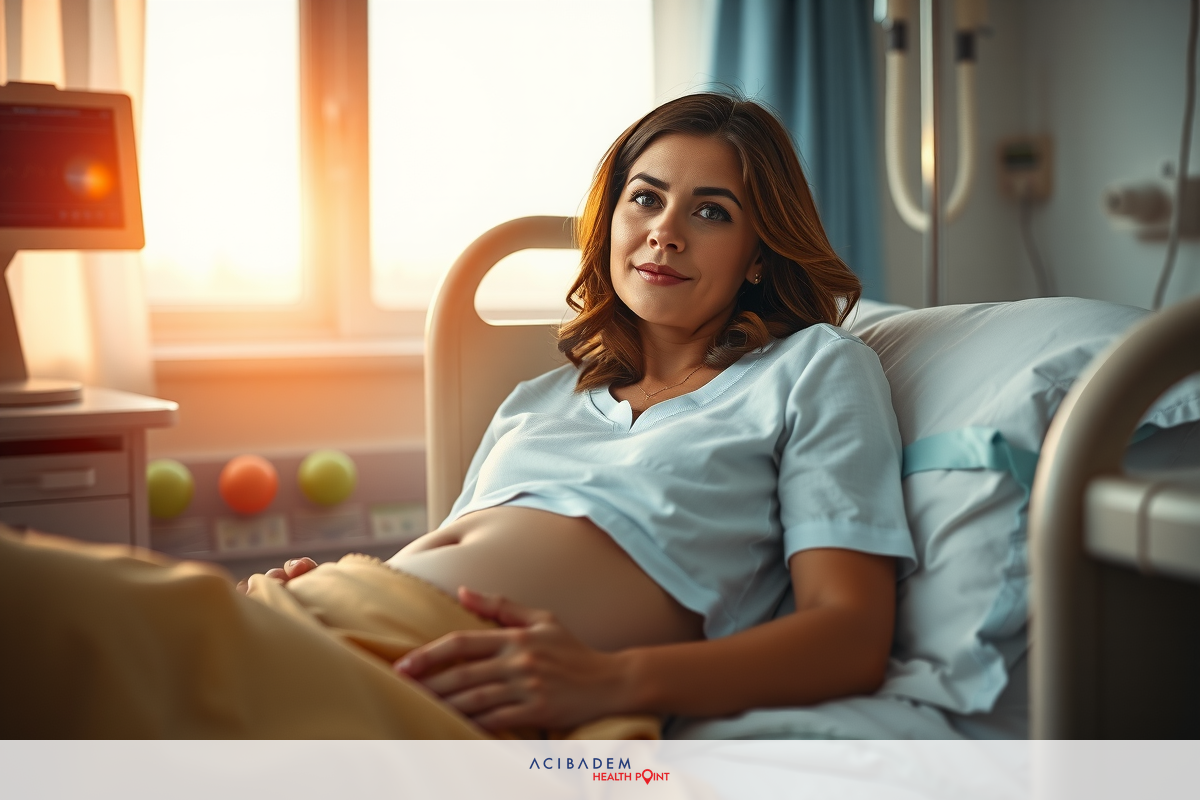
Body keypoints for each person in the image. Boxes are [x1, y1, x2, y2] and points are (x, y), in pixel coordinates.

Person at [0, 93, 914, 738]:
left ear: (760, 255)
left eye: (711, 211)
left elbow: (849, 634)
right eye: (646, 196)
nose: (665, 230)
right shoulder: (546, 397)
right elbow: (458, 557)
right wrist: (349, 574)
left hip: (488, 686)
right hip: (349, 609)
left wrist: (608, 679)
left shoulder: (811, 370)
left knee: (45, 612)